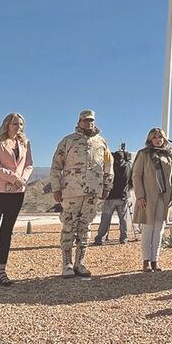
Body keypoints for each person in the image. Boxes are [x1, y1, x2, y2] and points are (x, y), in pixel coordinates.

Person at [51, 110, 113, 278]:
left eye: (91, 120)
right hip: (71, 192)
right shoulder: (68, 141)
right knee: (69, 226)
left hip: (93, 192)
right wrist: (56, 188)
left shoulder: (101, 142)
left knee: (85, 227)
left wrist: (107, 186)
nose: (88, 123)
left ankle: (80, 263)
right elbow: (56, 165)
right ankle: (67, 264)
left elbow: (108, 165)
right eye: (85, 120)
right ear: (78, 122)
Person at [0, 112, 34, 288]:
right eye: (15, 124)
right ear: (6, 125)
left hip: (17, 193)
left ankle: (1, 270)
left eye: (20, 124)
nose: (18, 127)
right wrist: (14, 178)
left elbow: (29, 164)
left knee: (7, 232)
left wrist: (23, 179)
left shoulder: (25, 143)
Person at [132, 127, 172, 271]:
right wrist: (139, 195)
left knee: (159, 230)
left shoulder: (170, 155)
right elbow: (136, 176)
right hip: (147, 197)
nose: (158, 140)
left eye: (160, 137)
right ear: (150, 139)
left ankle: (155, 261)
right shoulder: (143, 154)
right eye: (155, 137)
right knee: (147, 229)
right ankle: (146, 260)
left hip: (164, 198)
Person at [94, 143, 134, 246]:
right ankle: (123, 238)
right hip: (123, 197)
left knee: (105, 219)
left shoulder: (109, 166)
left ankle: (100, 238)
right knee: (123, 220)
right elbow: (132, 182)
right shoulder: (128, 166)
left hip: (110, 196)